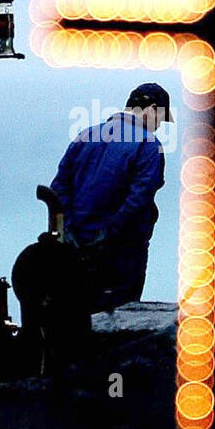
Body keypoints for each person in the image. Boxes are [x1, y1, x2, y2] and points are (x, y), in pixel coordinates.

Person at [49, 83, 171, 312]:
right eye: (161, 120)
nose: (158, 127)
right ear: (153, 109)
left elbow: (58, 188)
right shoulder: (148, 145)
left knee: (79, 320)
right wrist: (105, 236)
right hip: (121, 256)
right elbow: (138, 201)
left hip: (74, 251)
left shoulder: (85, 135)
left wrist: (72, 233)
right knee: (119, 326)